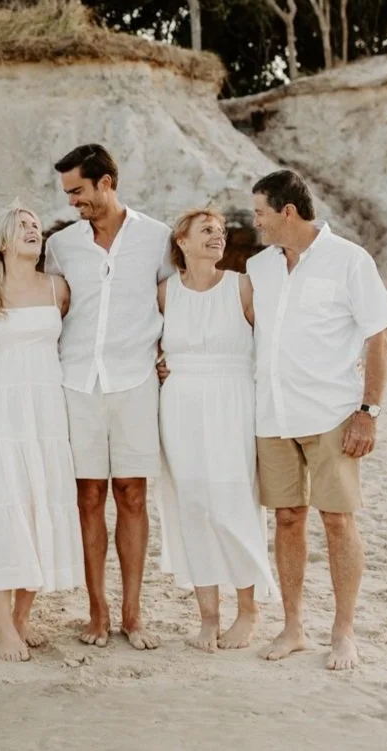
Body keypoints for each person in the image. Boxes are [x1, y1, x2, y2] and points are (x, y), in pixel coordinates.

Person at [247, 170, 387, 670]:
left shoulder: (349, 260)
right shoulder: (259, 268)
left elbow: (379, 338)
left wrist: (368, 412)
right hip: (272, 413)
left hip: (332, 413)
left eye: (260, 213)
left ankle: (344, 632)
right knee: (287, 519)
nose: (256, 223)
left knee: (338, 520)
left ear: (287, 212)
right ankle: (293, 627)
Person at [45, 144, 172, 650]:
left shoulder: (158, 238)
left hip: (137, 381)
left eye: (78, 191)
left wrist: (170, 355)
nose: (73, 202)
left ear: (106, 182)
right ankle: (97, 611)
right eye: (67, 193)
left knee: (133, 496)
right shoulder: (61, 245)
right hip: (76, 383)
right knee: (89, 497)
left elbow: (175, 302)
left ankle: (133, 613)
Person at [0, 204, 82, 662]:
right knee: (1, 505)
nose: (33, 230)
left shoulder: (58, 288)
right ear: (3, 241)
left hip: (46, 411)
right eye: (22, 226)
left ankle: (24, 616)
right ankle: (4, 626)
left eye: (36, 225)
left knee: (39, 506)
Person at [156, 210, 276, 653]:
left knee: (234, 502)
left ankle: (248, 610)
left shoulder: (241, 286)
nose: (217, 237)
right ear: (181, 242)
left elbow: (273, 341)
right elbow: (144, 346)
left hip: (232, 402)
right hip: (180, 406)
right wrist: (157, 365)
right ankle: (208, 617)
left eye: (222, 232)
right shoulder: (165, 293)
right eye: (206, 230)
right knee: (193, 506)